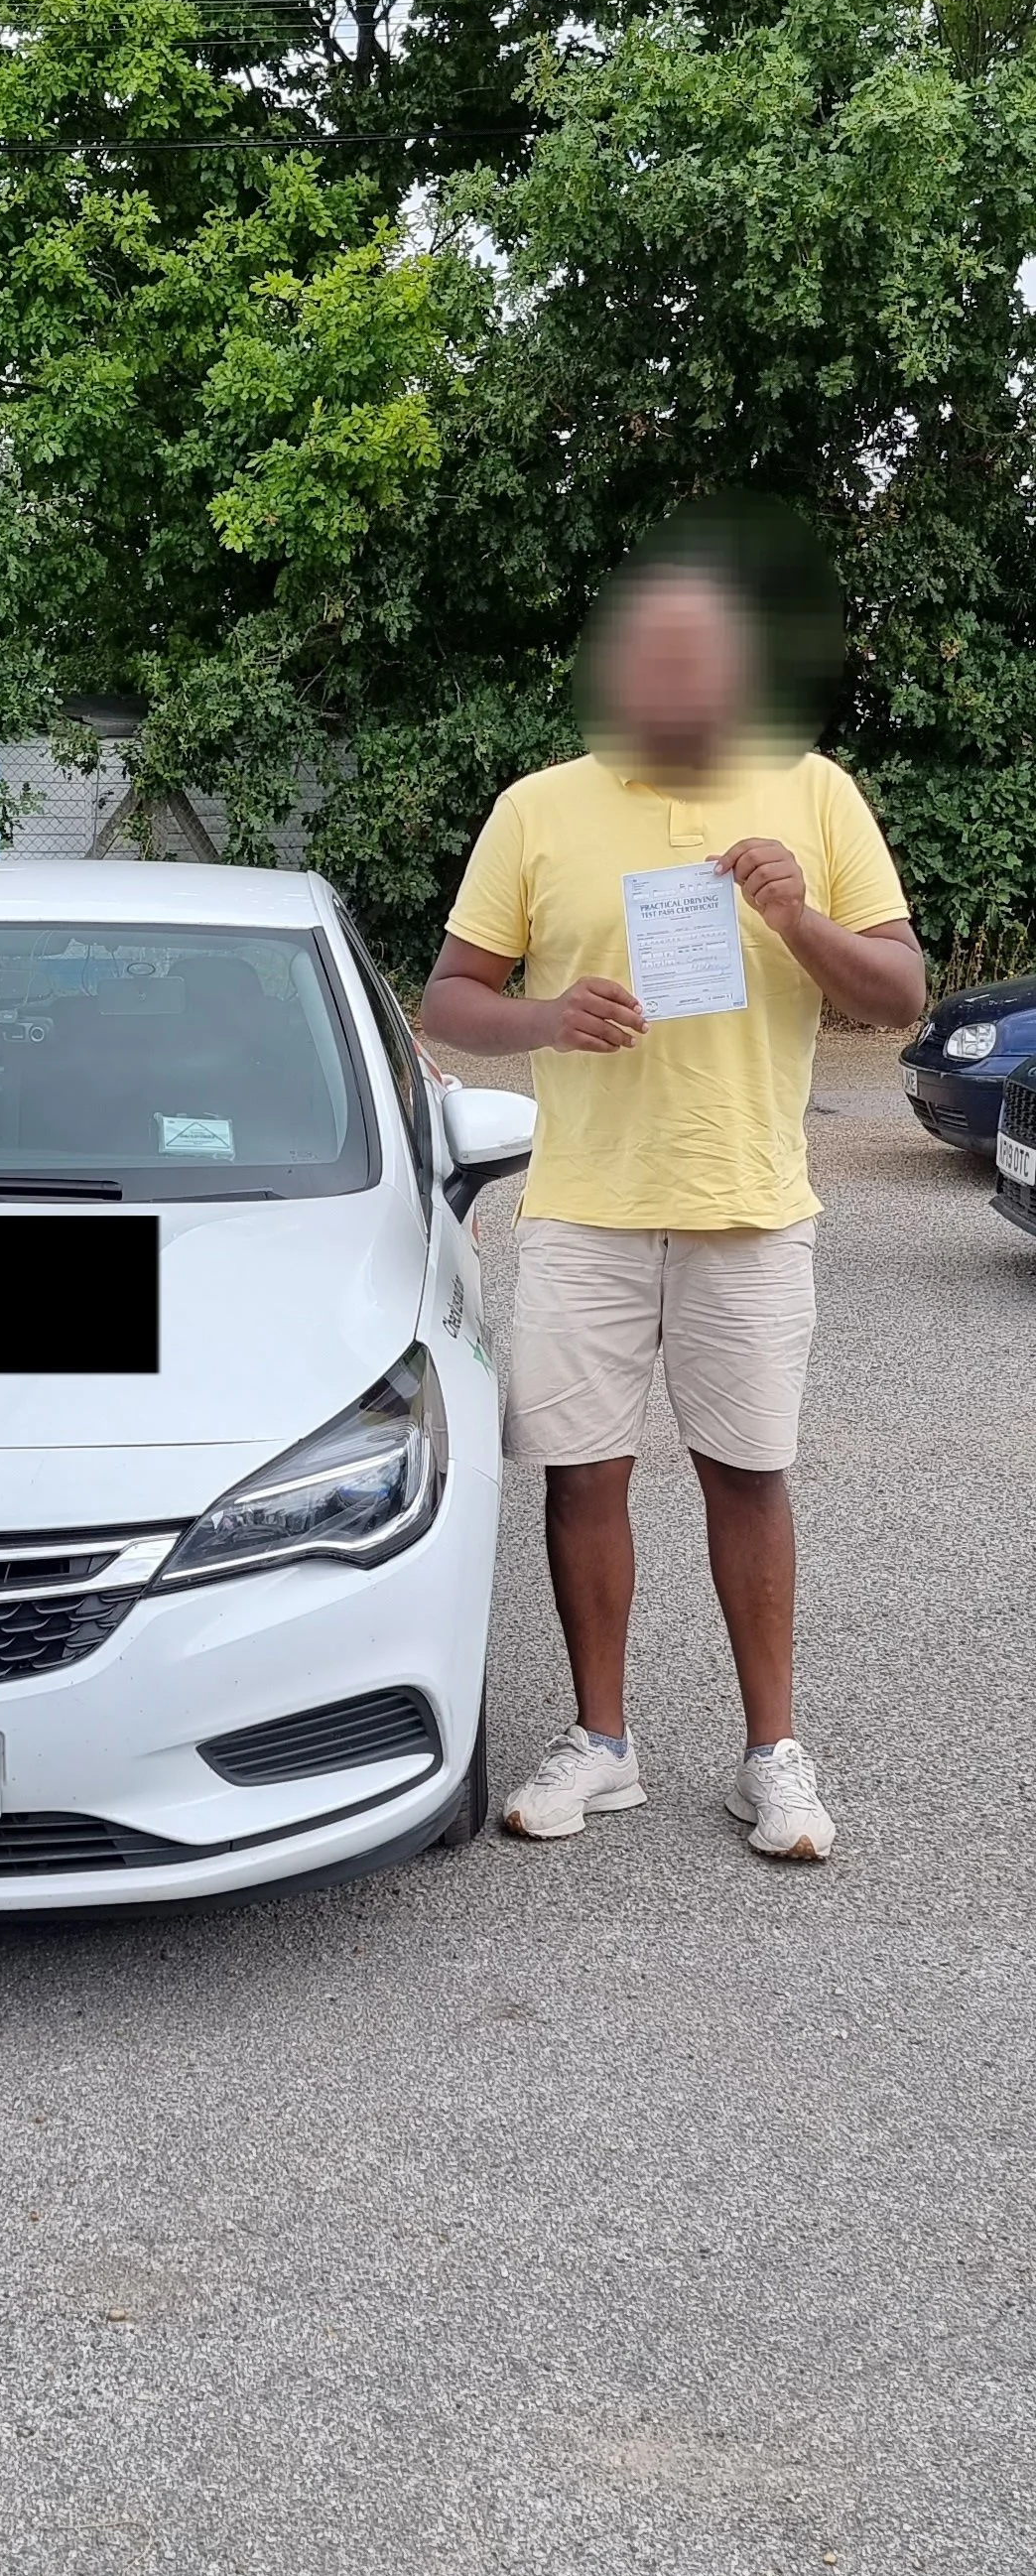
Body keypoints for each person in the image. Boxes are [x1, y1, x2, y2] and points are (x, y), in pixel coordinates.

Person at [420, 520, 924, 1860]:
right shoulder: (539, 807)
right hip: (584, 1203)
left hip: (750, 1200)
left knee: (748, 1476)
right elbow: (450, 999)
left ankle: (775, 1759)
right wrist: (545, 1021)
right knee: (581, 1479)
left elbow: (902, 990)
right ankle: (603, 1745)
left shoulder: (811, 792)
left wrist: (797, 918)